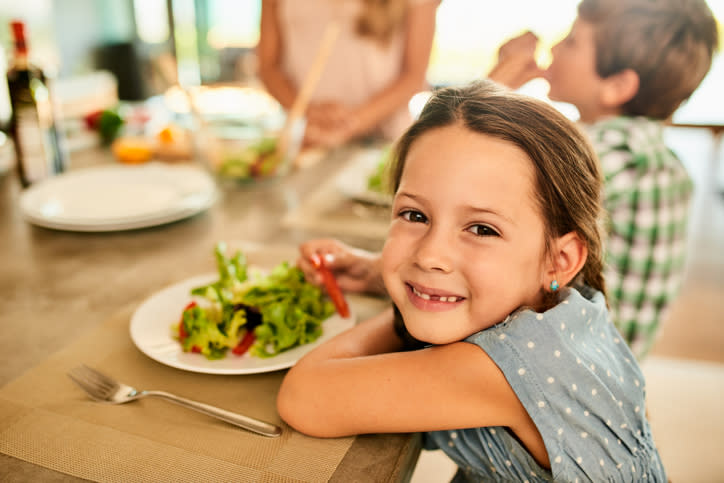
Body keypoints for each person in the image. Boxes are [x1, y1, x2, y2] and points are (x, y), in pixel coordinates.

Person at [281, 81, 667, 482]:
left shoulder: (500, 368)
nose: (430, 255)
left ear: (559, 260)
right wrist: (384, 272)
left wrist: (408, 297)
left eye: (482, 229)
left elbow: (304, 396)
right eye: (415, 216)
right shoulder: (563, 308)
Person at [483, 0, 719, 358]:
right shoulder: (656, 155)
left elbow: (478, 188)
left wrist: (491, 89)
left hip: (565, 360)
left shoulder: (605, 155)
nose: (556, 46)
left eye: (573, 41)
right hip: (615, 360)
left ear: (618, 85)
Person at [257, 0, 439, 148]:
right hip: (306, 139)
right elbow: (268, 66)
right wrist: (307, 114)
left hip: (381, 141)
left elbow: (413, 75)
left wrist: (351, 123)